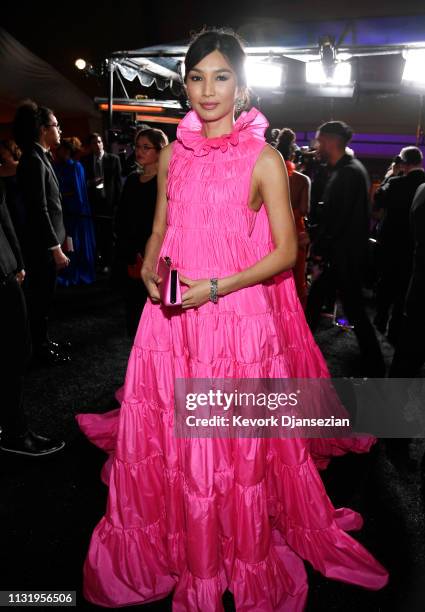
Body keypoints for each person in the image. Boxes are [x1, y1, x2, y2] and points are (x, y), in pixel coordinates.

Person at [77, 29, 388, 611]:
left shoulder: (264, 159)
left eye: (220, 77)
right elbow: (161, 226)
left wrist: (217, 287)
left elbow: (285, 253)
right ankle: (178, 539)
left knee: (229, 446)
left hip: (234, 321)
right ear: (185, 85)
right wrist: (149, 262)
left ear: (241, 87)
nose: (207, 90)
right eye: (196, 78)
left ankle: (223, 548)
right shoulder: (172, 153)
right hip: (170, 319)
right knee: (170, 436)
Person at [306, 121, 385, 377]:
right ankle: (374, 364)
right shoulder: (349, 170)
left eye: (319, 141)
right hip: (346, 255)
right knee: (332, 302)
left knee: (350, 309)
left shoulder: (348, 173)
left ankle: (375, 364)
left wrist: (318, 244)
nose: (317, 147)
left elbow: (338, 218)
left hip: (345, 255)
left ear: (330, 140)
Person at [0, 180, 65, 456]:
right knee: (13, 352)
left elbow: (4, 215)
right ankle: (14, 433)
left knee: (17, 351)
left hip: (6, 268)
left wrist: (17, 261)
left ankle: (12, 429)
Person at [13, 100, 71, 365]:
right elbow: (40, 210)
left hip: (47, 243)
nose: (60, 130)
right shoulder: (33, 160)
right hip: (41, 247)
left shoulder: (40, 157)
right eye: (56, 125)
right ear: (43, 129)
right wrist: (55, 248)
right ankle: (38, 350)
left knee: (44, 299)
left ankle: (43, 342)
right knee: (40, 300)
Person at [114, 127, 168, 337]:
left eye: (147, 147)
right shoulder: (132, 180)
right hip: (130, 252)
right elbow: (122, 216)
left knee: (154, 308)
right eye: (137, 146)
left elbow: (162, 222)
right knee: (133, 310)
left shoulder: (165, 183)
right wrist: (127, 248)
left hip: (154, 254)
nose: (140, 151)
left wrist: (149, 252)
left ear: (159, 150)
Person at [374, 146, 425, 344]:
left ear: (403, 163)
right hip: (414, 246)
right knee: (404, 291)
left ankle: (379, 322)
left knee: (386, 286)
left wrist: (390, 176)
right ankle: (395, 330)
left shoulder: (395, 183)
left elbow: (378, 201)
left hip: (391, 244)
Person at [275, 128, 311, 308]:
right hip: (295, 234)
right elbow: (304, 209)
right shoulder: (302, 180)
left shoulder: (268, 176)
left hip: (271, 232)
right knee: (296, 279)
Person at [54, 137, 96, 286]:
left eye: (60, 148)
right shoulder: (56, 166)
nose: (57, 151)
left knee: (76, 241)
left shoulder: (76, 167)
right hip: (63, 211)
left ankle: (78, 271)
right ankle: (68, 269)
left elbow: (79, 193)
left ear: (67, 150)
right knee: (67, 242)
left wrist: (74, 209)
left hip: (76, 211)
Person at [81, 133, 122, 273]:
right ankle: (97, 262)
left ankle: (108, 263)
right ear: (90, 145)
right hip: (93, 203)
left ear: (102, 143)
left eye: (99, 142)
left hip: (109, 203)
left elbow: (117, 183)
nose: (97, 145)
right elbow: (82, 183)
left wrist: (117, 204)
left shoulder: (113, 159)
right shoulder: (85, 161)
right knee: (95, 234)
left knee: (108, 235)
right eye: (94, 143)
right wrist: (91, 183)